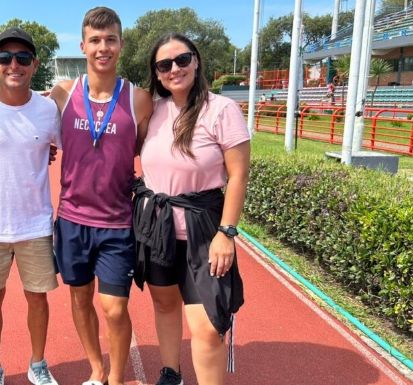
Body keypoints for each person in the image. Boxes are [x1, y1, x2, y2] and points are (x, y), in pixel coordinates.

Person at [133, 32, 249, 385]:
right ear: (156, 73)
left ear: (196, 61)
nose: (174, 69)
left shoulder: (222, 109)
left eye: (182, 60)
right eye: (164, 64)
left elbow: (239, 174)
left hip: (204, 230)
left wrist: (226, 233)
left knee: (208, 325)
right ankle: (171, 373)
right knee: (165, 305)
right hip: (158, 226)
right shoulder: (152, 110)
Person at [48, 7, 152, 385]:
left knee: (114, 308)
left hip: (116, 223)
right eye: (95, 40)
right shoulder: (62, 94)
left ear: (121, 45)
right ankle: (96, 369)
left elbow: (143, 148)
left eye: (110, 40)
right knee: (79, 300)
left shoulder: (138, 99)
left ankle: (117, 377)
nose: (102, 48)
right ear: (83, 45)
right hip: (72, 220)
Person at [0, 27, 61, 385]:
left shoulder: (48, 110)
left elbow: (70, 145)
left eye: (22, 58)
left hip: (35, 224)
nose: (13, 65)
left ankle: (38, 363)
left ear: (34, 64)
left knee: (38, 300)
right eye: (5, 58)